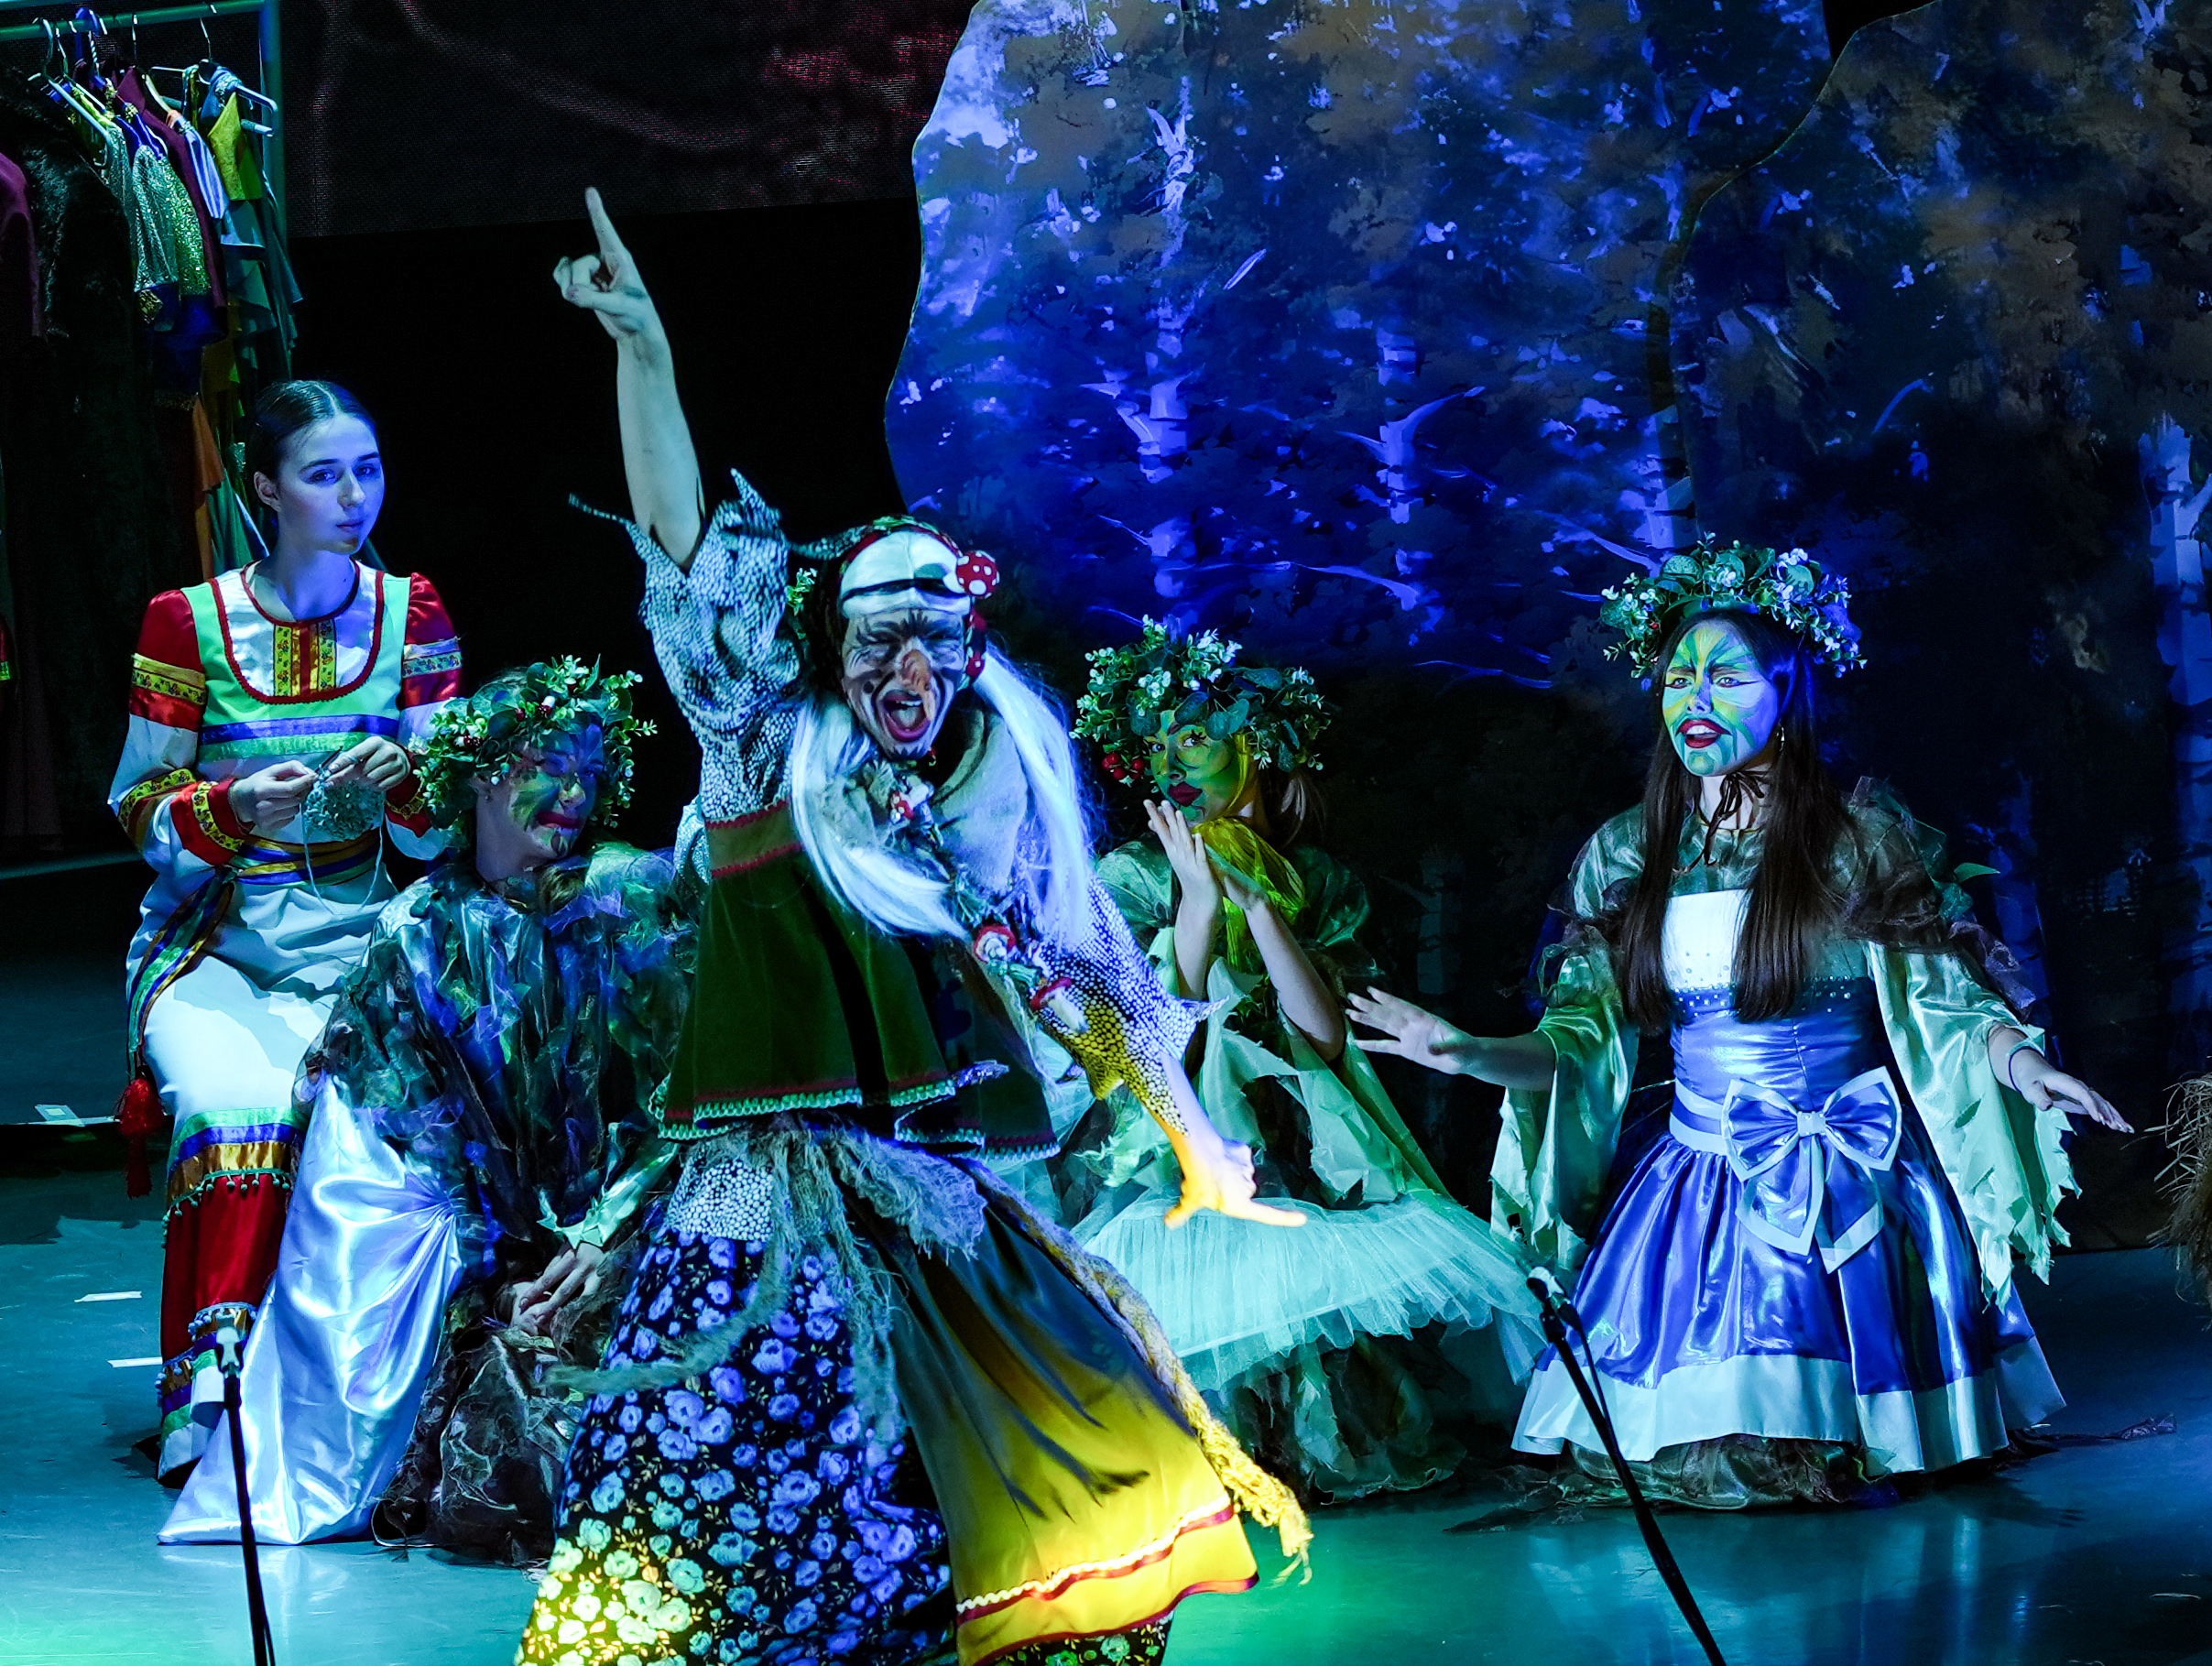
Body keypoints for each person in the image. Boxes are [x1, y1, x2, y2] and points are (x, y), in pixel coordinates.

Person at [515, 190, 1310, 1666]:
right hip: (762, 1187)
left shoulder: (994, 805)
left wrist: (1199, 1139)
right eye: (877, 631)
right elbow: (681, 545)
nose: (908, 660)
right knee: (732, 1504)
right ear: (828, 647)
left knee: (1016, 1489)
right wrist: (647, 358)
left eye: (936, 631)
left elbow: (1098, 970)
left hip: (935, 1191)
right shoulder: (764, 754)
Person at [1350, 539, 2130, 1507]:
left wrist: (2023, 1066)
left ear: (1786, 691)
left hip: (1856, 1178)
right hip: (1699, 1178)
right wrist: (1467, 1051)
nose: (1694, 699)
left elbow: (1947, 1004)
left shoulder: (1855, 842)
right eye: (1678, 679)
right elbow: (1579, 1041)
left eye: (1725, 676)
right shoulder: (1629, 853)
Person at [159, 660, 684, 1558]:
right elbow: (386, 1159)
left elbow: (689, 1098)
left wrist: (607, 1234)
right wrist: (497, 1277)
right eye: (550, 765)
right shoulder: (418, 932)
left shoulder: (627, 900)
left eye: (591, 772)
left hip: (631, 1231)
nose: (574, 793)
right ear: (482, 774)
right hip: (499, 1263)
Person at [1051, 620, 1542, 1499]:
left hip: (1297, 1127)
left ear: (1253, 747)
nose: (1170, 761)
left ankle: (1296, 1445)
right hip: (1181, 1129)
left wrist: (1260, 911)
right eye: (1156, 744)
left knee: (1304, 1280)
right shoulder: (1129, 876)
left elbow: (1325, 1037)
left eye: (1193, 737)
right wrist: (1196, 910)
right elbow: (1151, 1034)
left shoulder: (1316, 877)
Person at [110, 378, 462, 1481]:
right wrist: (230, 809)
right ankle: (211, 1398)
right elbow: (137, 807)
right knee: (236, 1108)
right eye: (323, 474)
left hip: (366, 938)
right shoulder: (188, 623)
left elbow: (444, 824)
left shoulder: (412, 614)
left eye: (368, 470)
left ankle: (361, 1398)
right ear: (264, 489)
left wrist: (407, 782)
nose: (355, 496)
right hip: (222, 940)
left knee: (378, 1120)